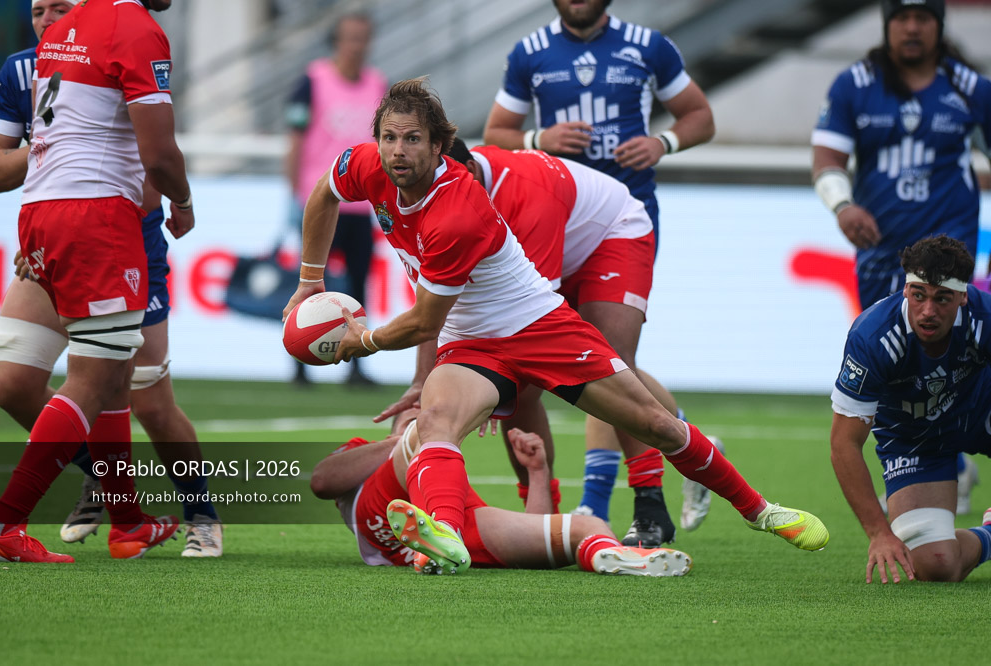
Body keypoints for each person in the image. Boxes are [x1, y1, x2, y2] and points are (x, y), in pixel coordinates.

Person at [284, 76, 828, 575]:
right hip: (470, 342)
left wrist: (361, 341)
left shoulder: (457, 211)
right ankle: (445, 535)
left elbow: (425, 319)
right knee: (437, 419)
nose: (398, 151)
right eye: (389, 138)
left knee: (654, 424)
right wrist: (311, 280)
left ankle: (761, 510)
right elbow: (323, 196)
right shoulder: (366, 165)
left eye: (412, 140)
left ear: (438, 145)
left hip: (535, 324)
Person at [379, 138, 723, 547]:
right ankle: (544, 511)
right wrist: (424, 383)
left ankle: (650, 505)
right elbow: (434, 303)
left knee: (609, 362)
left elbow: (528, 330)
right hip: (555, 245)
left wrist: (483, 373)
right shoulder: (428, 192)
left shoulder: (522, 197)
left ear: (466, 173)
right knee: (518, 398)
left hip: (613, 234)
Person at [0, 0, 222, 558]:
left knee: (125, 383)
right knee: (91, 384)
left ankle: (139, 522)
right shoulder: (136, 28)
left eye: (55, 6)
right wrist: (184, 201)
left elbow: (61, 138)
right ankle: (4, 526)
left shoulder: (68, 34)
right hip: (98, 220)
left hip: (49, 216)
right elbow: (159, 155)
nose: (47, 16)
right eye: (38, 7)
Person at [483, 0, 717, 535]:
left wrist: (664, 142)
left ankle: (636, 506)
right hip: (550, 221)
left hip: (621, 221)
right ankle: (544, 505)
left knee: (607, 361)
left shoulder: (647, 46)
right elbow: (497, 131)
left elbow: (700, 116)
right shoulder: (531, 53)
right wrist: (539, 141)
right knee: (522, 374)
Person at [812, 0, 989, 515]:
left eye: (923, 18)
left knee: (954, 348)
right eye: (902, 18)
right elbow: (827, 157)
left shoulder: (970, 88)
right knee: (893, 358)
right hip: (880, 251)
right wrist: (842, 206)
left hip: (951, 247)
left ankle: (954, 448)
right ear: (888, 25)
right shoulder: (855, 85)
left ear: (939, 25)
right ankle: (927, 465)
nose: (912, 28)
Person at [312, 408, 693, 576]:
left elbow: (535, 526)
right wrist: (414, 429)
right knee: (422, 437)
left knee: (585, 526)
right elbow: (322, 481)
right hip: (381, 515)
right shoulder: (372, 448)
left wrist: (538, 472)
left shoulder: (449, 485)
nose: (430, 414)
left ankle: (616, 556)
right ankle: (444, 533)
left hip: (457, 530)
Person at [830, 235, 991, 583]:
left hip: (981, 410)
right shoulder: (872, 337)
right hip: (914, 437)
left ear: (963, 296)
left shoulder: (985, 318)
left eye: (942, 299)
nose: (928, 311)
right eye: (919, 295)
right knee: (934, 564)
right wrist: (879, 533)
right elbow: (844, 444)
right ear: (906, 290)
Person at [284, 12, 386, 387]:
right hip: (320, 201)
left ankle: (357, 362)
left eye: (363, 38)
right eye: (351, 38)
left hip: (361, 205)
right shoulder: (312, 82)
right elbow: (294, 139)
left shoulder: (378, 83)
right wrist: (293, 195)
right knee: (311, 281)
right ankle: (298, 358)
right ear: (336, 43)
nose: (357, 46)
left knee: (359, 283)